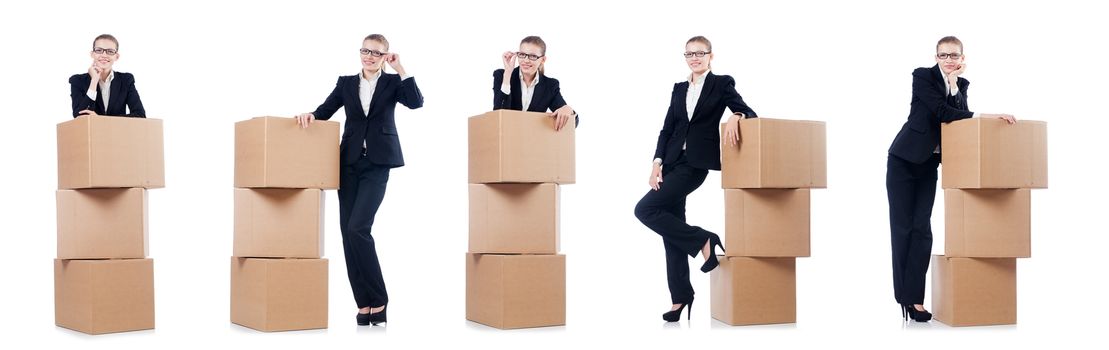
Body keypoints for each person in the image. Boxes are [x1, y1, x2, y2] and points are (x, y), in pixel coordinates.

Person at [294, 34, 423, 326]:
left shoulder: (392, 83)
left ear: (385, 56)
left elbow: (416, 103)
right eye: (366, 51)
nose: (370, 56)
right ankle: (363, 303)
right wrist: (310, 114)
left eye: (377, 53)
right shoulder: (345, 83)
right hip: (348, 163)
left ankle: (379, 299)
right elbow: (325, 110)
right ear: (360, 52)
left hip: (378, 163)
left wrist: (401, 69)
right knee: (347, 234)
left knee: (358, 228)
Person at [886, 36, 1015, 322]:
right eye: (943, 55)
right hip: (904, 160)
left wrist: (956, 84)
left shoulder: (961, 85)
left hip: (929, 163)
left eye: (953, 55)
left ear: (961, 58)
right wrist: (988, 115)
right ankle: (905, 300)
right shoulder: (922, 76)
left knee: (922, 229)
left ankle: (914, 299)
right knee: (903, 229)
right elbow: (942, 113)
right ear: (936, 56)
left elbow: (960, 121)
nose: (948, 60)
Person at [633, 36, 756, 322]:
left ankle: (705, 240)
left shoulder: (721, 83)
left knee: (645, 209)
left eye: (700, 53)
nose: (694, 58)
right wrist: (656, 164)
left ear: (711, 56)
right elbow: (667, 129)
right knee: (669, 232)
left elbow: (747, 110)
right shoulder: (678, 88)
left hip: (695, 164)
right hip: (671, 164)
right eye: (689, 54)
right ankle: (681, 297)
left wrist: (737, 115)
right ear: (685, 57)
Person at [492, 35, 578, 129]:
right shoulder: (502, 76)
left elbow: (572, 124)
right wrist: (508, 74)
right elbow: (497, 115)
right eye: (522, 54)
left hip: (533, 140)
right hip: (506, 137)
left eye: (533, 56)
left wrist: (568, 110)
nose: (526, 60)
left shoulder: (550, 86)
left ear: (543, 60)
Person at [69, 34, 145, 118]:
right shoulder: (77, 81)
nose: (104, 55)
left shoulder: (126, 80)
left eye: (110, 51)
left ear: (117, 56)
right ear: (92, 54)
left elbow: (140, 115)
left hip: (117, 131)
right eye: (99, 50)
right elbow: (80, 116)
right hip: (91, 131)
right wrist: (94, 81)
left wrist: (101, 119)